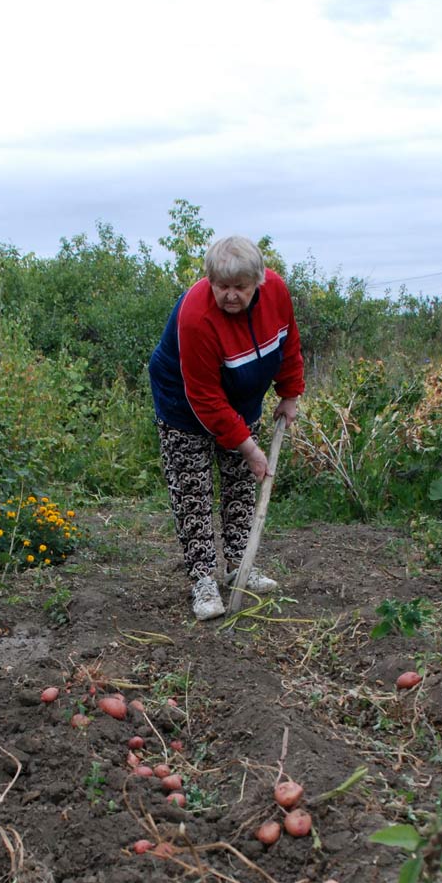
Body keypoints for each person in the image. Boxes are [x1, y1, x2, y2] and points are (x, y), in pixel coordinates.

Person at [148, 235, 305, 620]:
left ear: (259, 281)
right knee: (193, 490)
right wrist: (249, 447)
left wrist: (290, 393)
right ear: (210, 281)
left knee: (238, 483)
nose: (231, 296)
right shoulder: (196, 317)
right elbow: (204, 397)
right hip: (184, 403)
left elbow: (287, 345)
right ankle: (203, 580)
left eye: (240, 287)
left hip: (241, 395)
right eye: (222, 287)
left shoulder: (277, 294)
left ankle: (240, 567)